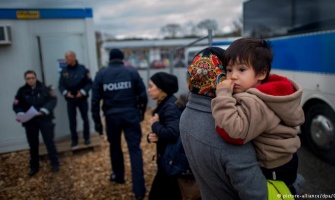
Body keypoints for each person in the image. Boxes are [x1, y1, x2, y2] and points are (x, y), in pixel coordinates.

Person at [211, 37, 304, 192]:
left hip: (273, 167)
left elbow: (233, 132)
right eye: (229, 70)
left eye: (241, 70)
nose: (233, 76)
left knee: (278, 193)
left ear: (261, 74)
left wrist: (223, 94)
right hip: (286, 160)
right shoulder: (269, 93)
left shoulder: (256, 102)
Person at [179, 47, 267, 200]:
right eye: (229, 70)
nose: (234, 76)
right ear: (221, 78)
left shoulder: (185, 115)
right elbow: (257, 194)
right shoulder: (226, 128)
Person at [91, 48, 147, 200]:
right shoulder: (131, 72)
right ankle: (139, 190)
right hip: (130, 114)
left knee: (115, 147)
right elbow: (143, 95)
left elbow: (95, 101)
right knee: (135, 150)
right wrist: (140, 113)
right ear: (122, 58)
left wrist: (98, 123)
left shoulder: (101, 74)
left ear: (110, 59)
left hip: (112, 117)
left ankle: (119, 176)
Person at [13, 70, 59, 176]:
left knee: (49, 142)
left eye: (32, 78)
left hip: (44, 119)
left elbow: (52, 100)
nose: (30, 80)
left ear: (35, 78)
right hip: (30, 121)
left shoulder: (44, 88)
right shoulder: (21, 91)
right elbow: (16, 104)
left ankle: (55, 163)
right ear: (25, 79)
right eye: (28, 78)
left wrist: (43, 110)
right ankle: (34, 167)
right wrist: (20, 114)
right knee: (33, 145)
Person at [146, 72, 182, 200]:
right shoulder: (165, 104)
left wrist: (155, 125)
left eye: (151, 86)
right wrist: (151, 135)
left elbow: (173, 133)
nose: (148, 89)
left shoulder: (170, 107)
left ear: (161, 88)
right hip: (167, 160)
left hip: (171, 163)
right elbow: (165, 131)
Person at [58, 50, 93, 149]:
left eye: (67, 57)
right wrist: (66, 93)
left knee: (85, 119)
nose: (66, 59)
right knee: (72, 121)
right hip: (70, 99)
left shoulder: (83, 69)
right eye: (65, 57)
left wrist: (82, 92)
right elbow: (60, 85)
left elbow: (89, 83)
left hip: (81, 98)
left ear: (73, 57)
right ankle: (74, 140)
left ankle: (87, 138)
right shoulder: (64, 71)